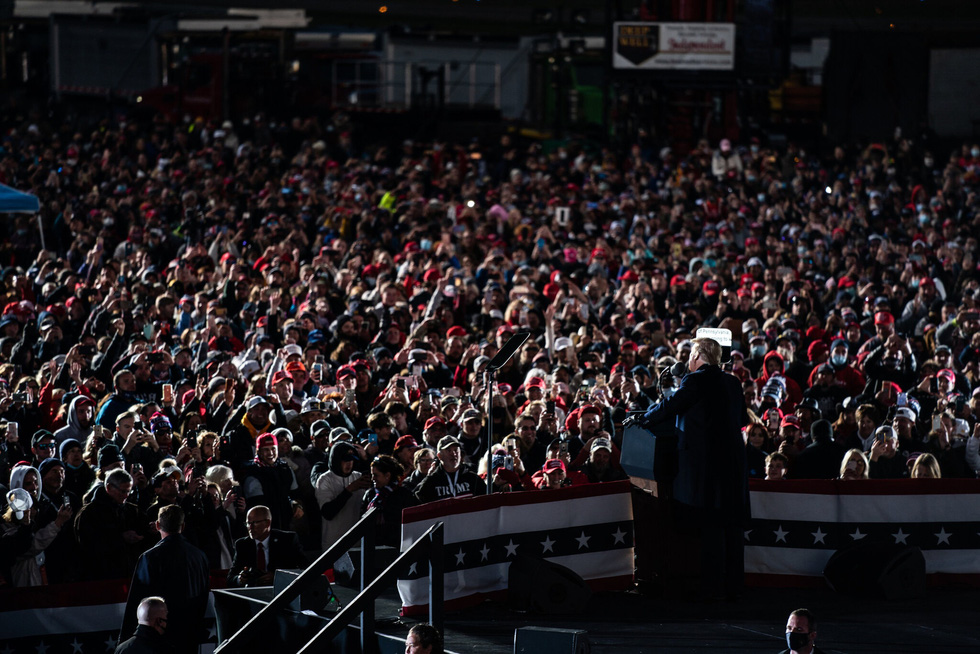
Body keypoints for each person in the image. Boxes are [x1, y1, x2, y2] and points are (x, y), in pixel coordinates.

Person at [636, 336, 749, 601]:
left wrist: (643, 418)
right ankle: (735, 588)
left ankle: (711, 592)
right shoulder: (733, 382)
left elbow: (670, 406)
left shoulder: (695, 380)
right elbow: (742, 418)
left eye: (690, 354)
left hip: (706, 468)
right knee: (731, 527)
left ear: (698, 355)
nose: (687, 360)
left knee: (711, 527)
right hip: (733, 466)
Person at [121, 504, 210, 654]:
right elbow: (204, 595)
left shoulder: (149, 558)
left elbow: (139, 600)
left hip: (159, 637)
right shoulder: (200, 556)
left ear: (157, 525)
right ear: (182, 526)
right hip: (191, 633)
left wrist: (124, 640)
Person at [227, 505, 307, 587]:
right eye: (248, 523)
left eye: (255, 523)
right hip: (252, 593)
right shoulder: (242, 545)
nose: (250, 527)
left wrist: (278, 578)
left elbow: (305, 570)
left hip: (282, 591)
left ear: (268, 523)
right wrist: (239, 579)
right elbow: (230, 578)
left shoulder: (287, 540)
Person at [413, 436, 486, 503]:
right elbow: (415, 501)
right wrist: (427, 478)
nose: (454, 454)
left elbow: (488, 500)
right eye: (449, 450)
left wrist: (496, 485)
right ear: (439, 456)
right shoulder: (432, 481)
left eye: (456, 450)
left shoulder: (472, 478)